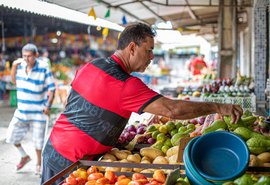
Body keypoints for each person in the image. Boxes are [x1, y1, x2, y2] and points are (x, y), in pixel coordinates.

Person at [41, 23, 243, 184]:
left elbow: (74, 103)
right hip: (71, 159)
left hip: (57, 147)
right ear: (131, 48)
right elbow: (172, 109)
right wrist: (219, 107)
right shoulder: (126, 84)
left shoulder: (90, 66)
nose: (152, 57)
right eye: (149, 50)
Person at [6, 43, 56, 175]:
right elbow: (13, 81)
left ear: (36, 56)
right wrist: (14, 66)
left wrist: (48, 106)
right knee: (11, 136)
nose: (26, 59)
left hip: (38, 112)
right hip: (21, 111)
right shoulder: (20, 66)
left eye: (29, 56)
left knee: (38, 141)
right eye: (24, 56)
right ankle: (24, 156)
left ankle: (38, 164)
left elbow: (52, 88)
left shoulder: (44, 68)